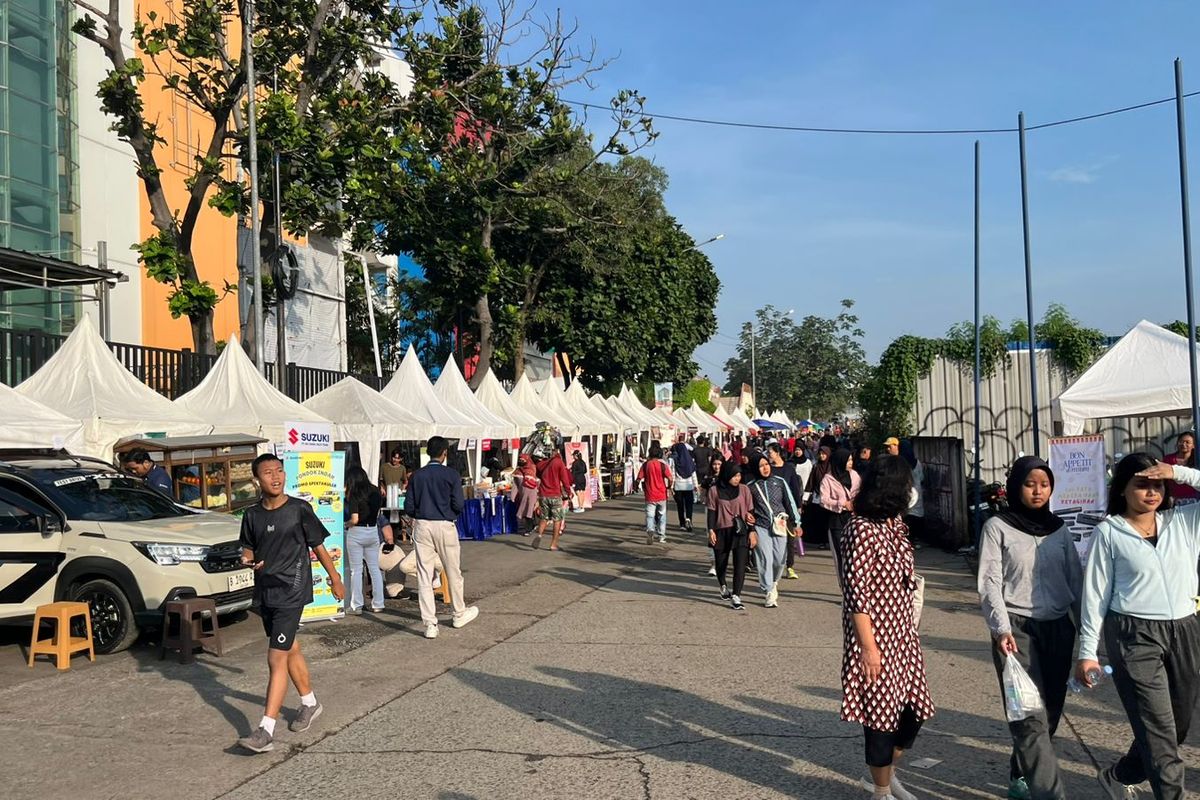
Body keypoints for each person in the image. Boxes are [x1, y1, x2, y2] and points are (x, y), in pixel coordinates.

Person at [1078, 455, 1200, 800]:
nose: (1150, 492)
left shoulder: (1185, 522)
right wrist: (1087, 652)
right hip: (1134, 635)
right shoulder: (1109, 532)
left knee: (1174, 727)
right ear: (1123, 489)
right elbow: (1095, 594)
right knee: (1159, 733)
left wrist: (1178, 472)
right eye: (1141, 484)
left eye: (1157, 484)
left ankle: (1121, 774)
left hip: (1185, 630)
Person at [978, 457, 1081, 800]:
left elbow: (1076, 583)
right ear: (1015, 486)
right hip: (1016, 629)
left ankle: (1021, 773)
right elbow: (990, 581)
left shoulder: (1060, 530)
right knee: (1027, 712)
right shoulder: (997, 526)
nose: (1038, 491)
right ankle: (1047, 792)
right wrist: (1001, 627)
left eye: (1044, 484)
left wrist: (1087, 635)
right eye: (1029, 484)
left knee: (1050, 710)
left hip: (1058, 629)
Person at [236, 453, 344, 753]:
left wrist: (335, 578)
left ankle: (265, 730)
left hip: (292, 591)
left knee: (276, 658)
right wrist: (247, 560)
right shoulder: (252, 515)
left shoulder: (299, 509)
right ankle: (310, 703)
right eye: (268, 472)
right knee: (289, 646)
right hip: (266, 592)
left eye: (280, 471)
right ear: (257, 479)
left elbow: (319, 546)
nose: (276, 477)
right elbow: (247, 547)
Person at [841, 455, 933, 800]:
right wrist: (868, 648)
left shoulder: (895, 523)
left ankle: (885, 775)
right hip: (874, 636)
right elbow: (856, 594)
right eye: (907, 484)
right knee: (880, 717)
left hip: (903, 633)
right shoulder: (860, 529)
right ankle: (880, 790)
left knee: (914, 709)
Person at [405, 436, 479, 639]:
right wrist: (450, 513)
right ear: (445, 452)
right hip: (445, 524)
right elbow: (459, 504)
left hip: (422, 524)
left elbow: (408, 506)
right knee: (453, 570)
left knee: (424, 574)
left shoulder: (417, 476)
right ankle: (458, 612)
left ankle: (430, 623)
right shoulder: (451, 474)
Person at [747, 454, 801, 608]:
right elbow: (747, 507)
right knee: (765, 558)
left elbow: (789, 502)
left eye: (766, 464)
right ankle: (769, 591)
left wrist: (797, 523)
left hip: (780, 525)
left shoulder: (779, 482)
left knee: (779, 559)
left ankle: (774, 581)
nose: (765, 468)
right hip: (761, 526)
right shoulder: (751, 486)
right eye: (760, 466)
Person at [707, 461, 756, 611]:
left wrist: (752, 530)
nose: (737, 478)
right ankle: (722, 585)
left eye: (739, 475)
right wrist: (711, 530)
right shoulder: (714, 490)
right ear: (727, 474)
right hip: (721, 530)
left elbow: (750, 511)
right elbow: (711, 512)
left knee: (740, 564)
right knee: (721, 564)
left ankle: (736, 596)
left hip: (740, 531)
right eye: (735, 475)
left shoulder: (744, 490)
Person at [345, 466, 389, 615]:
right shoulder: (376, 490)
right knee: (374, 569)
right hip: (372, 531)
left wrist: (346, 524)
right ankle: (378, 603)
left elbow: (355, 519)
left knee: (356, 570)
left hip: (356, 533)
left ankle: (357, 605)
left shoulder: (354, 494)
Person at [821, 448, 862, 588]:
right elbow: (824, 500)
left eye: (851, 460)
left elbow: (861, 493)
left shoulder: (855, 475)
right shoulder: (828, 479)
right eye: (848, 460)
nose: (850, 463)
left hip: (854, 519)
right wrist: (843, 504)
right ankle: (844, 588)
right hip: (836, 521)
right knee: (841, 556)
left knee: (855, 554)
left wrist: (856, 503)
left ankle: (856, 586)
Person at [769, 443, 805, 580]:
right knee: (774, 538)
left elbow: (795, 489)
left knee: (790, 539)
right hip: (773, 510)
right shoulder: (769, 470)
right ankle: (774, 565)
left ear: (777, 453)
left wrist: (798, 506)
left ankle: (790, 567)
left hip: (788, 510)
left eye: (771, 452)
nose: (769, 455)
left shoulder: (789, 469)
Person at [534, 449, 572, 550]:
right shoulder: (559, 462)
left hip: (543, 494)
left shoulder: (541, 464)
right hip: (555, 495)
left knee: (544, 517)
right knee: (557, 520)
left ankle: (539, 535)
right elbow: (565, 480)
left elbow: (537, 473)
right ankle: (553, 544)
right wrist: (569, 492)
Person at [637, 442, 672, 544]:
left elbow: (638, 478)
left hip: (650, 494)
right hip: (661, 494)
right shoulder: (662, 465)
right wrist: (668, 487)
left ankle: (650, 529)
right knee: (662, 516)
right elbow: (670, 478)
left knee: (650, 515)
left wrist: (638, 486)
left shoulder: (645, 465)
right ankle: (661, 536)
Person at [803, 446, 833, 550]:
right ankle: (821, 541)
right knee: (819, 520)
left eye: (824, 454)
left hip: (830, 498)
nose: (822, 456)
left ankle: (829, 541)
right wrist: (806, 498)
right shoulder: (816, 467)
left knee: (828, 520)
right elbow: (811, 482)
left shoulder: (831, 467)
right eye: (820, 454)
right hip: (817, 497)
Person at [898, 440, 926, 548]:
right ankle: (916, 540)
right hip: (917, 492)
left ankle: (907, 539)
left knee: (906, 515)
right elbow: (922, 477)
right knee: (917, 515)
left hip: (905, 490)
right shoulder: (917, 462)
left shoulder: (901, 463)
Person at [1163, 431, 1199, 504]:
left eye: (1187, 442)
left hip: (1195, 500)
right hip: (1173, 500)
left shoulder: (1197, 461)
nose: (1183, 444)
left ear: (1193, 445)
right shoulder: (1168, 459)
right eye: (1181, 442)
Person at [670, 437, 698, 531]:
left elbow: (673, 474)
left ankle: (682, 524)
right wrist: (696, 485)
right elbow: (694, 474)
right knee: (689, 505)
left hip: (678, 487)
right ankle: (689, 519)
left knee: (680, 506)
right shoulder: (690, 461)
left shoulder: (675, 461)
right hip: (689, 486)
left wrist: (671, 486)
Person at [510, 454, 540, 534]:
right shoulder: (518, 471)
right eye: (520, 460)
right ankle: (533, 525)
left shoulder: (532, 468)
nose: (521, 461)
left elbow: (537, 481)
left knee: (529, 510)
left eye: (523, 460)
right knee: (526, 510)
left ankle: (528, 529)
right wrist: (512, 496)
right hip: (523, 494)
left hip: (532, 493)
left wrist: (538, 495)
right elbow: (515, 485)